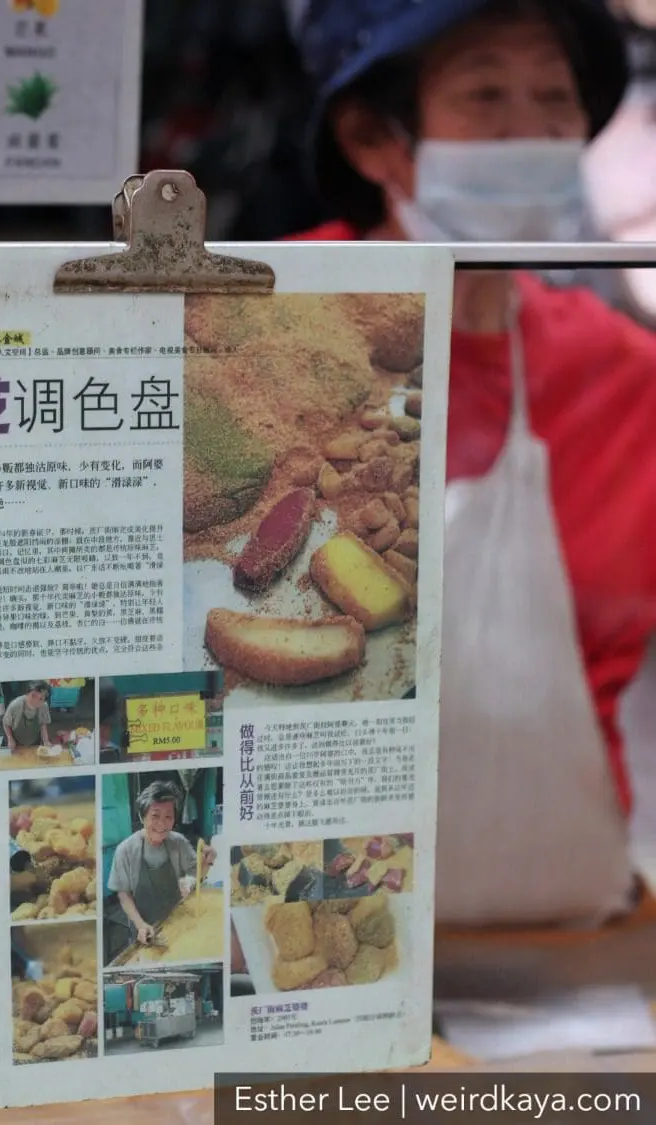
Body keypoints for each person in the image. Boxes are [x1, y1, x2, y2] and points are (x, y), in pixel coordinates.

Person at [288, 0, 656, 927]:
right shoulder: (266, 334)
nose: (528, 133)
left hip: (565, 933)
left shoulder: (622, 376)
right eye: (485, 95)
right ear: (375, 139)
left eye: (556, 100)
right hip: (309, 922)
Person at [108, 780, 217, 946]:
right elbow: (123, 894)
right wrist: (140, 925)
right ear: (142, 816)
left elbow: (197, 875)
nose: (162, 823)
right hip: (145, 929)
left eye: (168, 817)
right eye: (155, 816)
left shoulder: (178, 842)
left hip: (177, 922)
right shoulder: (126, 850)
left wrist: (207, 862)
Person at [3, 681, 52, 751]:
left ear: (44, 701)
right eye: (33, 695)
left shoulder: (44, 707)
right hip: (16, 742)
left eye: (41, 698)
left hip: (34, 740)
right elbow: (6, 723)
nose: (35, 701)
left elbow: (43, 724)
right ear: (27, 693)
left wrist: (46, 741)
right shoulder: (15, 705)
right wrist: (10, 738)